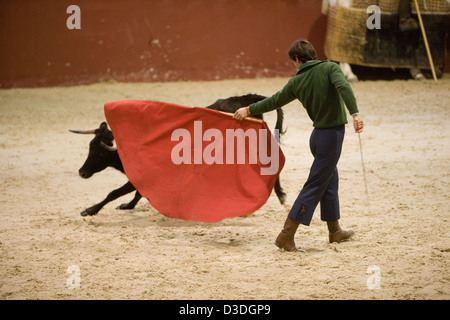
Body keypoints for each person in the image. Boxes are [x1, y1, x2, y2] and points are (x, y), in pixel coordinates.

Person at [233, 40, 364, 252]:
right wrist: (355, 113)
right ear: (313, 54)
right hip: (331, 137)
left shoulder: (297, 81)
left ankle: (335, 230)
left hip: (317, 137)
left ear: (296, 60)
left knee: (330, 180)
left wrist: (249, 109)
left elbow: (274, 101)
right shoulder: (331, 68)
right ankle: (286, 234)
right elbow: (343, 87)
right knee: (315, 185)